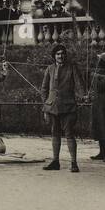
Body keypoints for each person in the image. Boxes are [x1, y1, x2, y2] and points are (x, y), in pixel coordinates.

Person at [41, 44, 88, 172]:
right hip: (52, 107)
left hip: (68, 106)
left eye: (62, 53)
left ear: (65, 55)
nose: (60, 56)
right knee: (54, 134)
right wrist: (45, 106)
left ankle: (74, 163)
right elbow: (44, 89)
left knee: (69, 134)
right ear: (54, 56)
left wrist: (83, 96)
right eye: (58, 54)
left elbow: (79, 84)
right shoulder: (49, 69)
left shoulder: (72, 68)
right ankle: (55, 161)